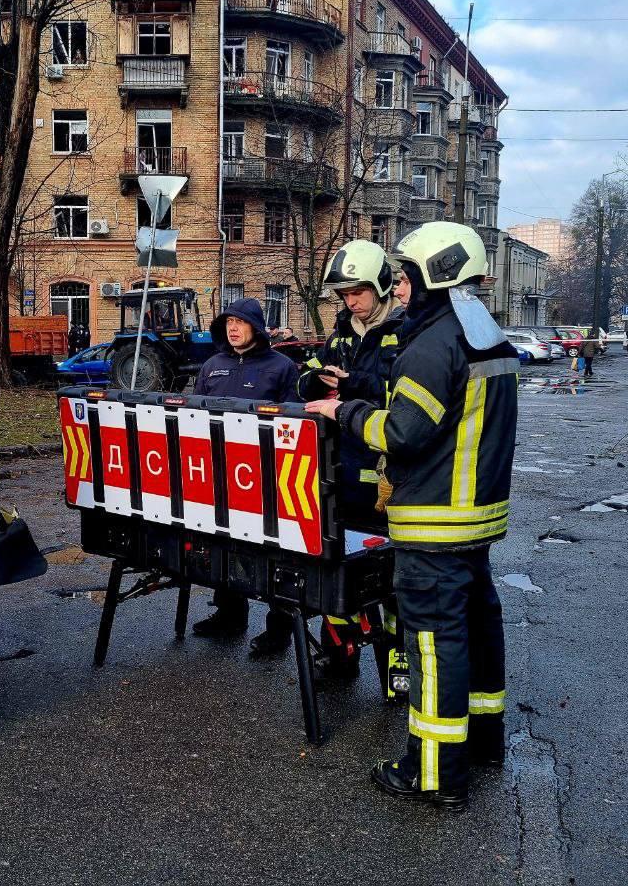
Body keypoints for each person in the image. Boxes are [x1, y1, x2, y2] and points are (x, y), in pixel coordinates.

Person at [307, 222, 516, 812]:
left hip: (433, 522)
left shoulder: (431, 344)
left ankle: (433, 772)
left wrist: (343, 411)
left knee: (433, 645)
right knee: (476, 630)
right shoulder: (487, 336)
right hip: (475, 519)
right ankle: (481, 744)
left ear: (433, 275)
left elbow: (401, 434)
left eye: (404, 275)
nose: (398, 286)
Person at [271, 240, 404, 673]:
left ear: (382, 285)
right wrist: (313, 382)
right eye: (345, 294)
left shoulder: (408, 331)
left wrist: (356, 386)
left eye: (358, 293)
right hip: (340, 470)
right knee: (335, 570)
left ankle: (397, 667)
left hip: (386, 473)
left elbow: (410, 402)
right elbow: (306, 374)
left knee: (388, 580)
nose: (351, 302)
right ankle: (339, 654)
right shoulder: (343, 330)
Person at [189, 297, 300, 638]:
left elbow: (295, 425)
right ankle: (229, 616)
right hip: (221, 475)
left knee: (272, 550)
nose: (233, 328)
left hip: (266, 475)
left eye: (240, 322)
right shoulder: (211, 366)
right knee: (223, 541)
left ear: (257, 327)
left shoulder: (282, 367)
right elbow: (193, 415)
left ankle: (278, 628)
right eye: (228, 323)